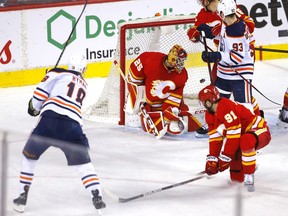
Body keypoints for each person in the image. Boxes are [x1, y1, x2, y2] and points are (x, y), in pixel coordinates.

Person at [13, 54, 106, 213]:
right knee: (83, 164)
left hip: (50, 121)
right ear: (83, 69)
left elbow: (37, 101)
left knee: (30, 158)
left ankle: (22, 196)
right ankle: (96, 195)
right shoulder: (84, 84)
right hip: (73, 126)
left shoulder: (55, 73)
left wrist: (34, 106)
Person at [187, 0, 262, 117]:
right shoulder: (203, 14)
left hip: (240, 56)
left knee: (241, 92)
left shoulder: (228, 9)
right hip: (223, 54)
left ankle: (254, 117)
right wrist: (197, 34)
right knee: (218, 88)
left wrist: (223, 28)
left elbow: (250, 24)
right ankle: (219, 119)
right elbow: (194, 30)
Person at [198, 84, 271, 192]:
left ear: (208, 102)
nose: (203, 105)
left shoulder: (227, 107)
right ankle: (247, 165)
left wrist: (225, 158)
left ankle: (249, 176)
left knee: (246, 141)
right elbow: (215, 139)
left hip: (259, 130)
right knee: (236, 179)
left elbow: (233, 137)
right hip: (241, 136)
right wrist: (212, 159)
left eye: (203, 102)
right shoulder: (210, 115)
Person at [126, 44, 205, 139]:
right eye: (179, 60)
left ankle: (166, 119)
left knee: (178, 121)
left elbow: (174, 99)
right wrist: (138, 98)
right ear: (172, 58)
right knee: (135, 97)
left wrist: (169, 113)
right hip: (149, 104)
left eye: (182, 61)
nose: (181, 64)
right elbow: (133, 79)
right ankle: (136, 114)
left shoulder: (182, 74)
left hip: (164, 104)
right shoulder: (149, 59)